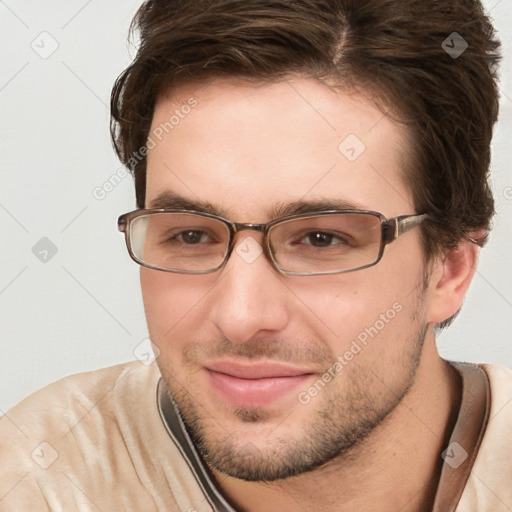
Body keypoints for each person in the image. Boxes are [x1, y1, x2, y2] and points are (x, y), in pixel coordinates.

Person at [0, 0, 509, 510]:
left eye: (320, 239)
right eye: (192, 235)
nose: (240, 317)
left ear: (450, 266)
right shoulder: (36, 480)